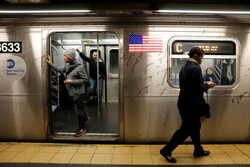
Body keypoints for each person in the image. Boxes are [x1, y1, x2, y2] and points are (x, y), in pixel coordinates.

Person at [160, 47, 216, 163]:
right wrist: (208, 85)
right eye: (201, 57)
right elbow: (197, 90)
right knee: (186, 129)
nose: (202, 60)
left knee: (195, 126)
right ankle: (166, 150)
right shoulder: (196, 68)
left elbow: (188, 86)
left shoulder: (184, 67)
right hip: (191, 104)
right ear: (196, 55)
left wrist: (202, 85)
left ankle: (198, 150)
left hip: (184, 102)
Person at [47, 48, 89, 137]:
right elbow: (61, 70)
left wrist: (72, 82)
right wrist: (51, 64)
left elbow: (85, 80)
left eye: (65, 56)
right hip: (72, 91)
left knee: (79, 110)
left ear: (70, 57)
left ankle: (82, 127)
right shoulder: (67, 65)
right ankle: (85, 118)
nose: (64, 57)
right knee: (80, 107)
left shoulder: (80, 67)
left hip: (78, 92)